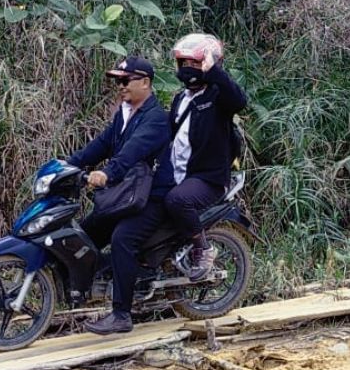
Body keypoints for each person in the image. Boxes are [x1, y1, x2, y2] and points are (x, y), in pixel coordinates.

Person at [67, 56, 169, 335]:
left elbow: (131, 152)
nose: (120, 86)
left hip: (153, 196)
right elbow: (99, 146)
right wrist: (67, 165)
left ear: (145, 83)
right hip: (128, 195)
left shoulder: (155, 119)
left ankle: (122, 314)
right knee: (85, 232)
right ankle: (96, 283)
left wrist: (107, 174)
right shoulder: (124, 115)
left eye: (125, 80)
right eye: (117, 81)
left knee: (122, 238)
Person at [156, 33, 248, 280]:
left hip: (208, 178)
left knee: (177, 201)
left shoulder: (218, 97)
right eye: (184, 63)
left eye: (195, 63)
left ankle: (203, 249)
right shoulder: (180, 99)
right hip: (179, 173)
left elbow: (239, 101)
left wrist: (213, 72)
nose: (188, 69)